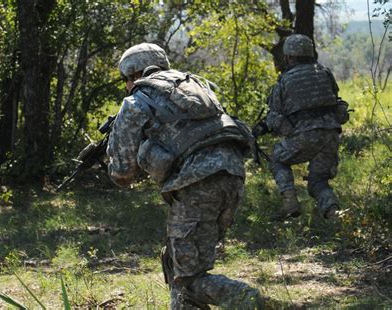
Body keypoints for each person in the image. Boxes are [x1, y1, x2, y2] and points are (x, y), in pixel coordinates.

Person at [107, 42, 262, 309]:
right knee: (179, 269)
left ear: (133, 76)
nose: (125, 85)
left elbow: (122, 174)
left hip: (197, 185)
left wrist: (121, 153)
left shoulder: (136, 101)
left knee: (188, 281)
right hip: (232, 176)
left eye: (125, 80)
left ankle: (249, 300)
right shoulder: (197, 86)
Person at [253, 34, 349, 221]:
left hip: (304, 136)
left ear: (288, 56)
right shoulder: (324, 72)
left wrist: (266, 128)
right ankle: (334, 213)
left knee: (277, 159)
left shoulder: (284, 80)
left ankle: (289, 202)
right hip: (331, 135)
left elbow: (275, 116)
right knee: (318, 180)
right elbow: (335, 100)